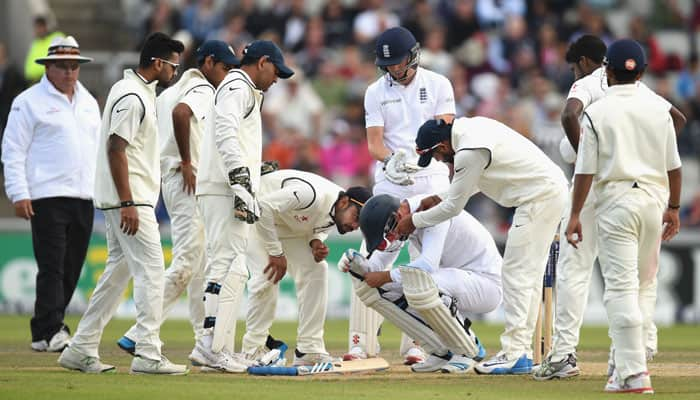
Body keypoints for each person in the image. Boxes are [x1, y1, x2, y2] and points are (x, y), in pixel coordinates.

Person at [535, 34, 687, 380]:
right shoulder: (642, 90)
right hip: (646, 191)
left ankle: (563, 355)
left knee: (576, 268)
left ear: (591, 64)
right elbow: (676, 118)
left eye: (575, 68)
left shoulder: (590, 82)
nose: (575, 74)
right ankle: (637, 350)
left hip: (597, 187)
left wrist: (593, 153)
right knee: (641, 278)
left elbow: (569, 115)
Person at [395, 116, 568, 375]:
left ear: (442, 145)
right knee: (527, 276)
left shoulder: (468, 151)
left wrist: (413, 220)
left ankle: (514, 353)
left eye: (439, 157)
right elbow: (475, 183)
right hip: (547, 193)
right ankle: (520, 351)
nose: (442, 161)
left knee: (516, 274)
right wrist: (437, 197)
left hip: (538, 198)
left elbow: (454, 207)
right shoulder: (472, 129)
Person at [58, 32, 187, 375]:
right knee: (152, 272)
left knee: (118, 275)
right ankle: (147, 352)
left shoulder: (133, 90)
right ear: (157, 63)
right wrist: (128, 200)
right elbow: (117, 148)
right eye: (173, 65)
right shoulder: (132, 96)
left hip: (128, 198)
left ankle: (81, 346)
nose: (175, 72)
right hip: (130, 200)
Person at [116, 40, 238, 357]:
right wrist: (186, 161)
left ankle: (204, 340)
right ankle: (139, 332)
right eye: (224, 68)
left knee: (199, 264)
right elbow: (182, 115)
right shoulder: (202, 90)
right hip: (187, 178)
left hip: (172, 177)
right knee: (187, 262)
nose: (226, 77)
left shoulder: (169, 90)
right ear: (208, 63)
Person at [346, 26, 457, 365]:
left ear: (414, 56)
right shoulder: (375, 91)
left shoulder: (438, 84)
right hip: (392, 180)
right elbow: (375, 142)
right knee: (375, 257)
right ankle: (360, 342)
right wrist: (390, 160)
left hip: (432, 177)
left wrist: (419, 159)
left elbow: (445, 129)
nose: (394, 69)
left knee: (423, 262)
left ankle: (417, 343)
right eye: (388, 65)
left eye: (399, 63)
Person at [192, 40, 293, 373]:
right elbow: (225, 133)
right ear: (262, 62)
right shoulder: (238, 85)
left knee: (231, 267)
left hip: (224, 185)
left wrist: (252, 169)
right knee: (224, 265)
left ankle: (212, 346)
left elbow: (231, 138)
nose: (277, 79)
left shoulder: (242, 88)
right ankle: (209, 347)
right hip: (225, 188)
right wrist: (239, 176)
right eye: (276, 71)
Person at [2, 36, 99, 353]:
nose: (70, 73)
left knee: (72, 265)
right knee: (52, 265)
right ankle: (50, 328)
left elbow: (95, 150)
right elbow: (13, 150)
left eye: (74, 66)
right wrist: (19, 193)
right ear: (48, 67)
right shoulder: (28, 101)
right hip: (46, 194)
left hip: (84, 195)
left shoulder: (88, 102)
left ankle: (44, 331)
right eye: (62, 67)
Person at [343, 193, 502, 374]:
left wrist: (386, 276)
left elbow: (427, 265)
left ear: (396, 218)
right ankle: (440, 351)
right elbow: (375, 268)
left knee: (420, 283)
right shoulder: (401, 221)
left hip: (486, 284)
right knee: (375, 290)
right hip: (456, 280)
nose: (391, 240)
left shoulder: (433, 211)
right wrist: (355, 263)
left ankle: (468, 349)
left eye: (388, 235)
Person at [241, 169, 372, 366]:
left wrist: (315, 242)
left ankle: (309, 349)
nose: (355, 226)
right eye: (356, 217)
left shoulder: (338, 212)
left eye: (360, 224)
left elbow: (315, 226)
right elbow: (263, 207)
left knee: (317, 269)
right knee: (266, 278)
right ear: (344, 202)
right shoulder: (311, 195)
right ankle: (252, 350)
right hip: (257, 218)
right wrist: (276, 253)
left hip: (285, 227)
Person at [24, 16, 64, 83]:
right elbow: (28, 71)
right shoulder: (35, 43)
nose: (37, 30)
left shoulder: (57, 38)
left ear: (46, 27)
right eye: (36, 28)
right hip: (35, 82)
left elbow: (57, 63)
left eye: (40, 27)